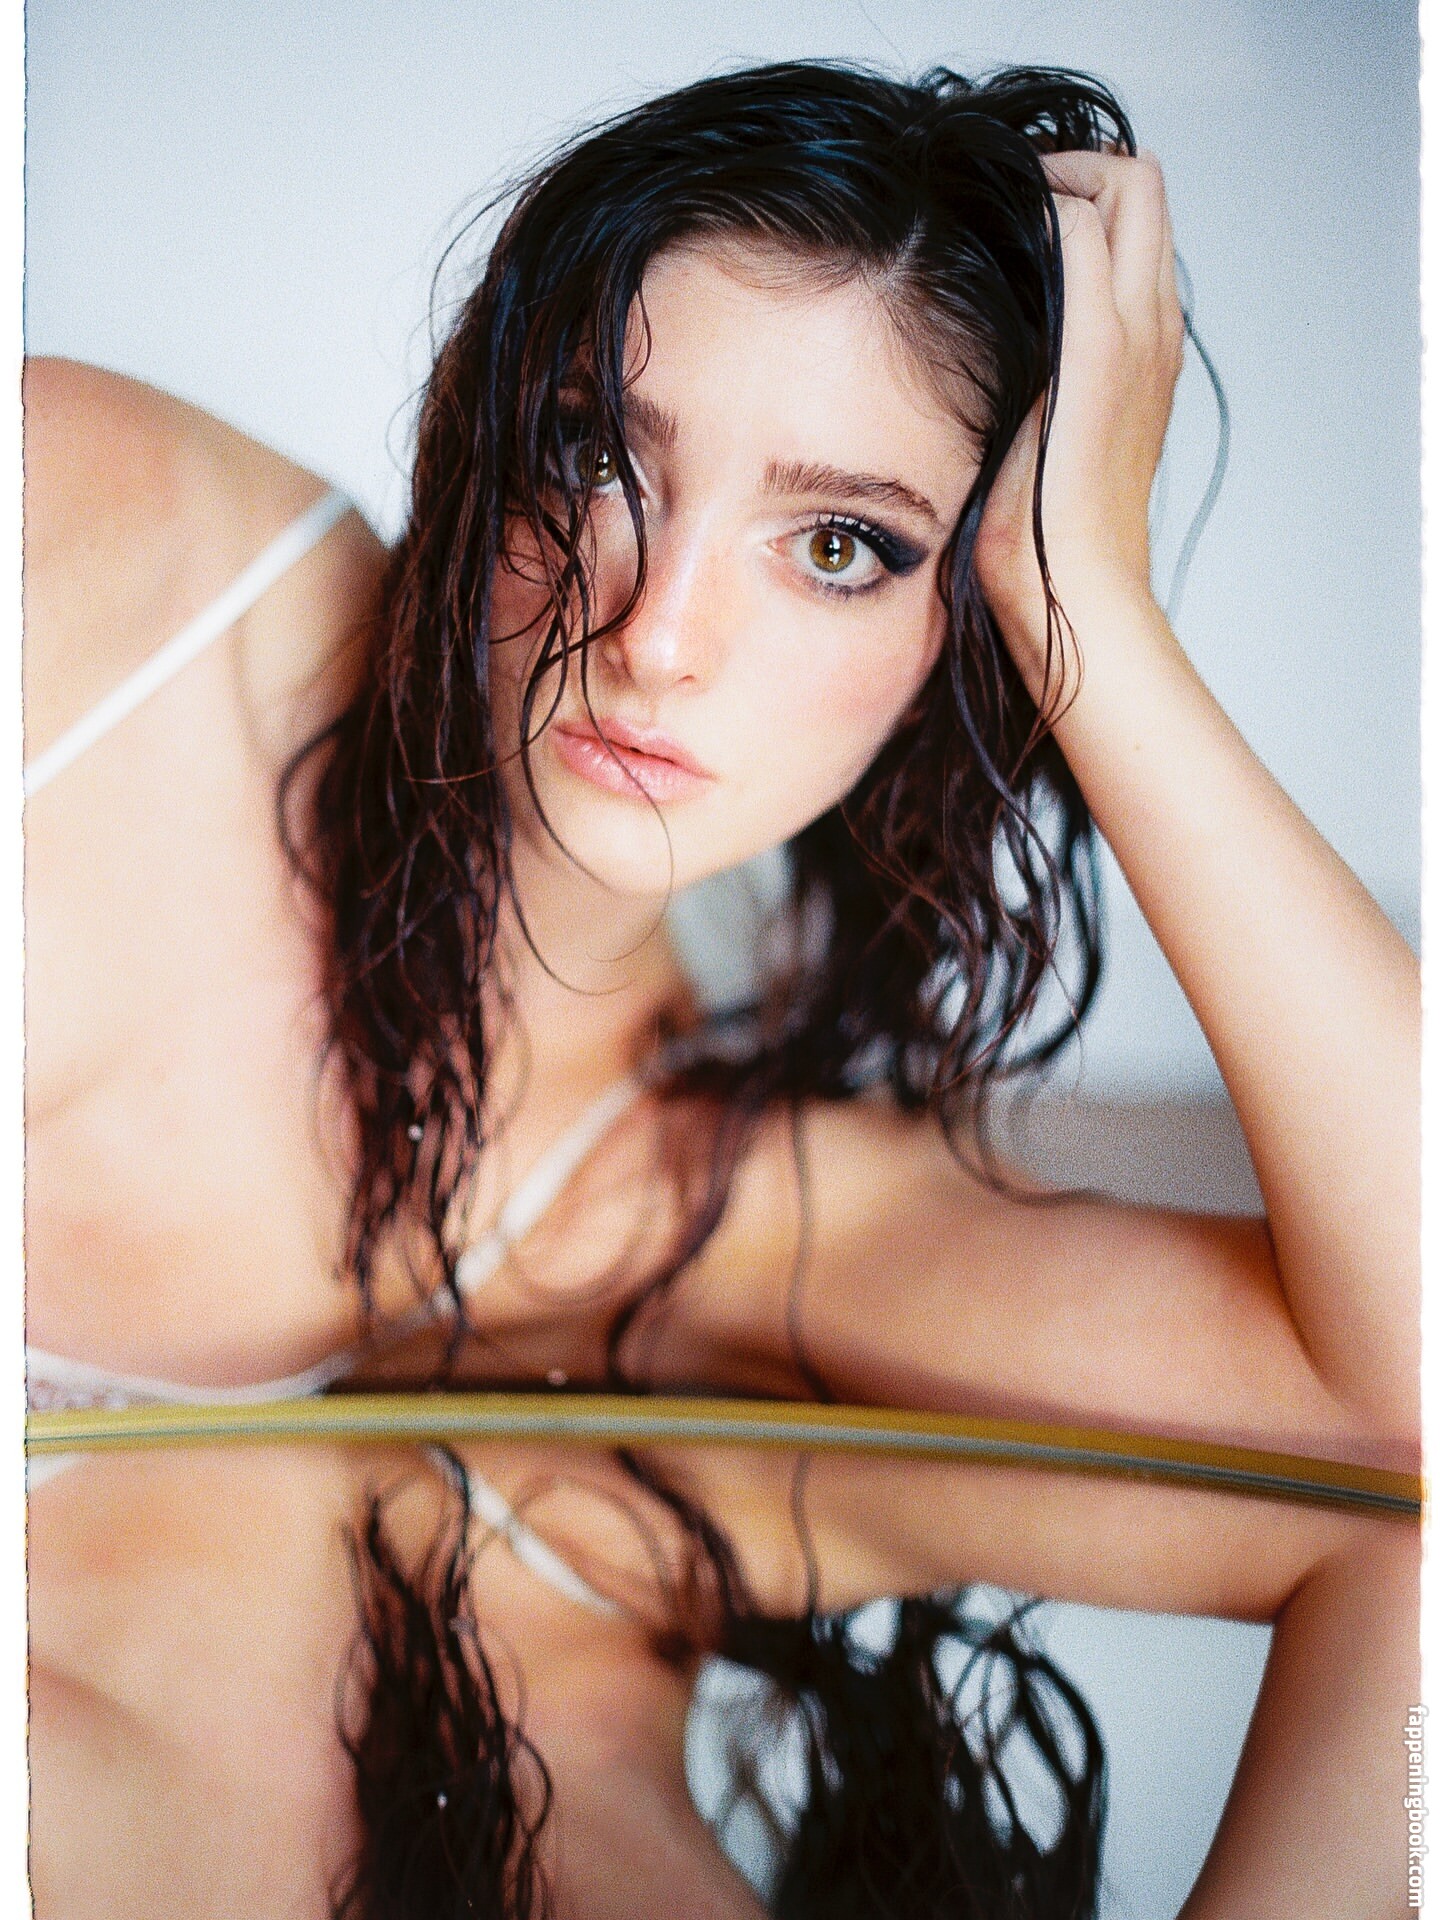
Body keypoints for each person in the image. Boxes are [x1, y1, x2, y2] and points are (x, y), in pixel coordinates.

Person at [24, 60, 1419, 1919]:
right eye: (597, 453)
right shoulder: (120, 561)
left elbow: (1404, 1402)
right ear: (480, 433)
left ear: (964, 632)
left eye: (842, 546)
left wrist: (1099, 614)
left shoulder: (701, 1206)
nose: (660, 634)